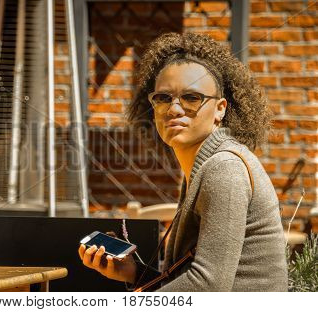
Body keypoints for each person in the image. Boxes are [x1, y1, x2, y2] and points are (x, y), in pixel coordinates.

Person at [78, 32, 288, 291]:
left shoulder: (224, 169)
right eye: (164, 98)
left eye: (192, 98)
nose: (174, 109)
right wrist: (133, 272)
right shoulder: (204, 166)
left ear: (220, 109)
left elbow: (208, 286)